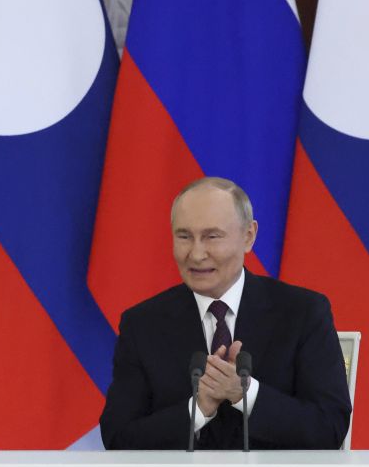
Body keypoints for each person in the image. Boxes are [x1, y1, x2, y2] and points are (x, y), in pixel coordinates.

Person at [100, 177, 351, 449]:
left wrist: (244, 393)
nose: (196, 254)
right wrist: (199, 408)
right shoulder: (142, 324)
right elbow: (118, 438)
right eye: (184, 236)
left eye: (212, 237)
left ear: (248, 236)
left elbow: (329, 428)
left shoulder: (302, 313)